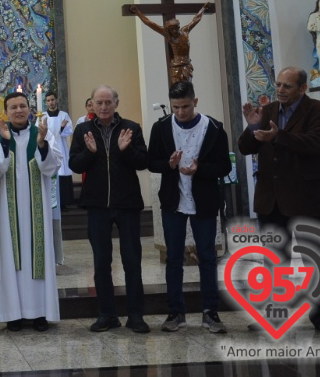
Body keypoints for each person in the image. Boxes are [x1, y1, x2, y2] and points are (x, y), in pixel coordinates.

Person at [238, 66, 320, 338]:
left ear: (302, 88)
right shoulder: (268, 111)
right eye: (279, 85)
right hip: (271, 199)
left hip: (309, 198)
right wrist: (251, 127)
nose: (281, 90)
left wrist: (278, 137)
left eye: (287, 86)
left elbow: (317, 143)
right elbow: (246, 148)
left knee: (317, 261)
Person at [147, 81, 230, 334]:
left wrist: (199, 170)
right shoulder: (161, 127)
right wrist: (169, 164)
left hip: (203, 201)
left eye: (185, 106)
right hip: (174, 201)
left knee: (206, 256)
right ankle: (176, 312)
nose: (180, 112)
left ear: (195, 101)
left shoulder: (214, 128)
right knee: (174, 257)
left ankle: (210, 312)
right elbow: (152, 162)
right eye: (175, 108)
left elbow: (224, 167)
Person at [69, 85, 151, 333]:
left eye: (108, 102)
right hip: (97, 205)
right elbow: (74, 164)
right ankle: (107, 314)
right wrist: (91, 153)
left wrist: (125, 151)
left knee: (132, 262)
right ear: (91, 104)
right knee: (101, 262)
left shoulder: (131, 128)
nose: (103, 107)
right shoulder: (83, 130)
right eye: (99, 102)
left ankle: (136, 315)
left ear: (116, 103)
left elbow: (144, 162)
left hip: (126, 204)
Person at [0, 91, 62, 331]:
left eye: (23, 106)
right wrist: (6, 143)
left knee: (39, 258)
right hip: (9, 212)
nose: (19, 110)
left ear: (30, 108)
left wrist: (41, 145)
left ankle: (40, 313)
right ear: (6, 112)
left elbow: (53, 166)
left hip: (37, 209)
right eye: (13, 107)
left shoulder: (42, 133)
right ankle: (14, 315)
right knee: (11, 257)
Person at [128, 3, 209, 84]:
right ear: (169, 30)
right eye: (171, 30)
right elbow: (150, 23)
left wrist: (203, 9)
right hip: (176, 67)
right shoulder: (168, 36)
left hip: (187, 64)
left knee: (188, 88)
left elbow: (195, 20)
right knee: (177, 89)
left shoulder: (185, 31)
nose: (174, 31)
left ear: (178, 27)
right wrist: (137, 12)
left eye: (175, 29)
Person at [44, 91, 73, 265]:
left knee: (63, 172)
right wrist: (56, 130)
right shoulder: (42, 116)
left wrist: (61, 129)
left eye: (53, 99)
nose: (51, 102)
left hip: (61, 148)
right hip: (49, 149)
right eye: (48, 100)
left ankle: (65, 203)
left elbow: (68, 130)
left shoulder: (64, 115)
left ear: (57, 100)